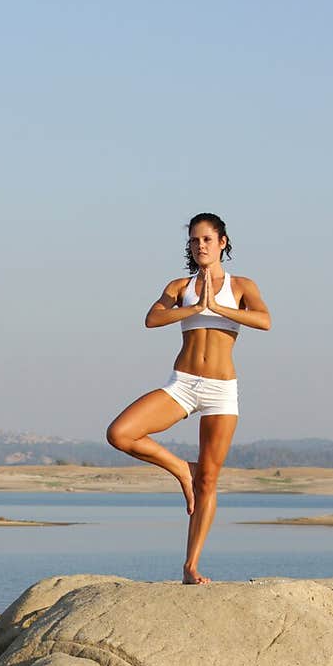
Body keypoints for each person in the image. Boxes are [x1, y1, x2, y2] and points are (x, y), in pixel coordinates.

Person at [106, 213, 271, 584]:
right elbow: (152, 318)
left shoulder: (241, 285)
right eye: (195, 241)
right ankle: (182, 468)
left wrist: (220, 307)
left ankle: (190, 566)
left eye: (208, 240)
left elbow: (264, 320)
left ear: (223, 242)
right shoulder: (181, 285)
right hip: (183, 384)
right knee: (120, 433)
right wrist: (196, 307)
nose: (201, 246)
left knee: (209, 480)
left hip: (221, 390)